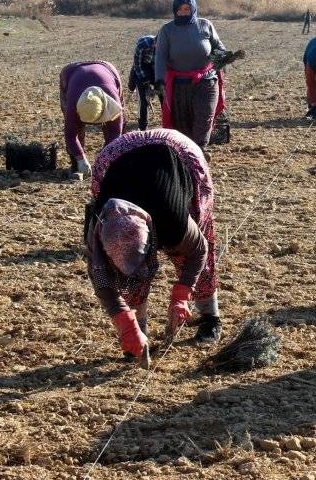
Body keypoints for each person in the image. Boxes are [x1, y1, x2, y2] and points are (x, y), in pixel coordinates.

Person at [85, 128, 222, 365]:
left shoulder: (173, 219)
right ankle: (138, 334)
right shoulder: (98, 228)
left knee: (189, 249)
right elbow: (101, 277)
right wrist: (124, 322)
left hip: (178, 153)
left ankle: (210, 317)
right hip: (115, 157)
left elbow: (199, 250)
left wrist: (182, 293)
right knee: (129, 274)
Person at [154, 0, 228, 150]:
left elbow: (219, 47)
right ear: (175, 10)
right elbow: (160, 57)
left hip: (206, 81)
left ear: (193, 9)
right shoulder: (167, 30)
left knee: (204, 117)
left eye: (187, 9)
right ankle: (186, 153)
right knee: (183, 123)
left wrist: (224, 56)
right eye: (180, 9)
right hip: (179, 85)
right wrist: (159, 80)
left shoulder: (205, 25)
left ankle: (200, 150)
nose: (183, 12)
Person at [59, 60, 124, 176]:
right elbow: (70, 134)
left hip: (107, 69)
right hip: (71, 72)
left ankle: (113, 162)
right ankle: (76, 165)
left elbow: (115, 132)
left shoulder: (113, 99)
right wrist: (81, 158)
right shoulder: (72, 103)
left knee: (113, 131)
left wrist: (103, 158)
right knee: (76, 128)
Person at [128, 35, 161, 131]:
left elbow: (160, 66)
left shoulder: (165, 47)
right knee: (144, 99)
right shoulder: (142, 44)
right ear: (155, 42)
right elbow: (137, 65)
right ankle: (143, 126)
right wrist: (145, 82)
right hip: (141, 66)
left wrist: (158, 84)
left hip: (154, 67)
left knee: (163, 95)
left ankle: (167, 122)